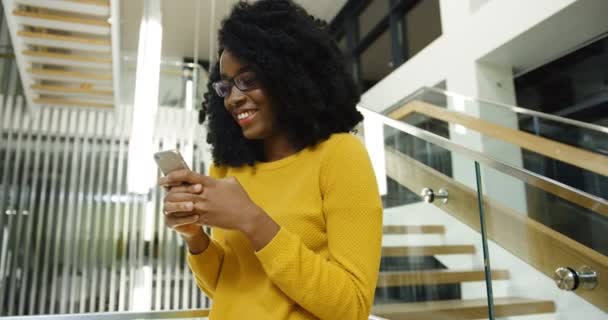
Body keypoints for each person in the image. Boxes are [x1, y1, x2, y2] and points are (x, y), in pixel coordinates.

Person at [158, 1, 382, 319]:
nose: (233, 98)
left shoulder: (340, 156)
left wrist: (252, 220)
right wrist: (195, 237)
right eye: (226, 86)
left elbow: (351, 307)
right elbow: (225, 288)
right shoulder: (228, 170)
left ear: (289, 76)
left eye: (248, 80)